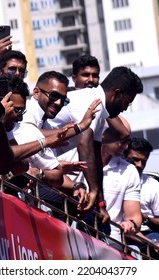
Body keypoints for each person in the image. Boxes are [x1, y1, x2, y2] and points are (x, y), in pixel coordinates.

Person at [45, 66, 143, 222]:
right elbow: (84, 144)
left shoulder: (100, 109)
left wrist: (100, 202)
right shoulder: (92, 102)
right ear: (116, 93)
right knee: (79, 207)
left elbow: (96, 158)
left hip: (46, 160)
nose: (125, 108)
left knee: (92, 212)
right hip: (32, 158)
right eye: (127, 102)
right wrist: (93, 190)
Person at [12, 71, 101, 219]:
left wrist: (76, 185)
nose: (59, 103)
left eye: (63, 100)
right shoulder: (27, 117)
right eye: (54, 96)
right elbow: (54, 172)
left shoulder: (41, 121)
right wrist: (81, 126)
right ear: (36, 92)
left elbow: (53, 169)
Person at [124, 137, 159, 257]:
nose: (140, 165)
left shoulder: (153, 185)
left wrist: (144, 217)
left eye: (143, 161)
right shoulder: (113, 175)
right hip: (117, 226)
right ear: (124, 155)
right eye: (135, 160)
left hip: (145, 233)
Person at [100, 118, 142, 250]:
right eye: (121, 141)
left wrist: (131, 224)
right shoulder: (75, 154)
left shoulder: (129, 170)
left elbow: (134, 216)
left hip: (110, 237)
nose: (126, 147)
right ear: (104, 136)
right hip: (75, 228)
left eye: (127, 142)